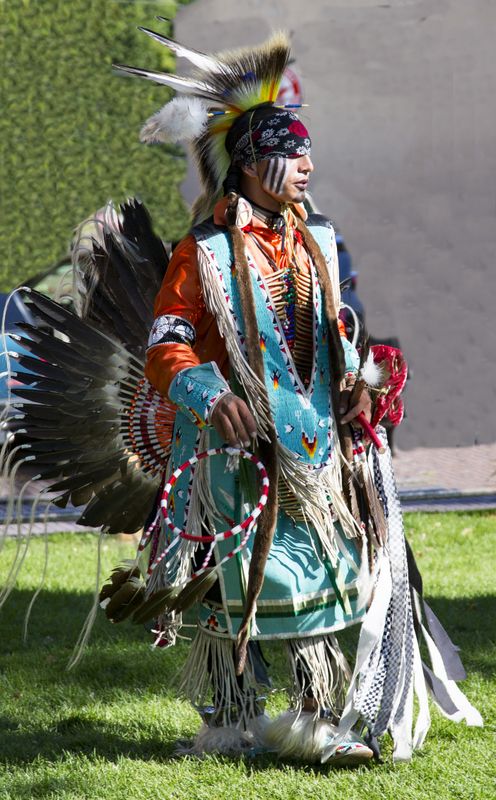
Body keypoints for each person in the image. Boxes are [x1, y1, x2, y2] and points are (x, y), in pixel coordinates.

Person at [2, 26, 481, 769]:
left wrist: (359, 381)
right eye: (296, 154)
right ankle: (229, 722)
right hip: (227, 445)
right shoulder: (206, 253)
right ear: (257, 164)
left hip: (313, 441)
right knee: (237, 587)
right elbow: (166, 340)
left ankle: (316, 719)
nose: (309, 166)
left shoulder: (316, 239)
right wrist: (205, 392)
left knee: (323, 571)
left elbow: (333, 332)